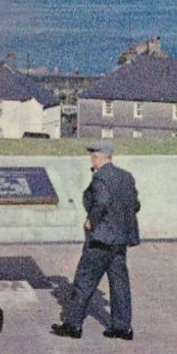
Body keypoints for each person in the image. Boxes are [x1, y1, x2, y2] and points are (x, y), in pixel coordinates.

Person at [51, 140, 141, 340]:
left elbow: (101, 201)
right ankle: (122, 327)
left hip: (101, 239)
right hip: (120, 239)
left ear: (98, 157)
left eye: (93, 156)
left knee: (84, 280)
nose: (91, 159)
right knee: (119, 283)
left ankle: (73, 325)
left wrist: (91, 220)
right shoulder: (126, 177)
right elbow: (135, 205)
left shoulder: (100, 178)